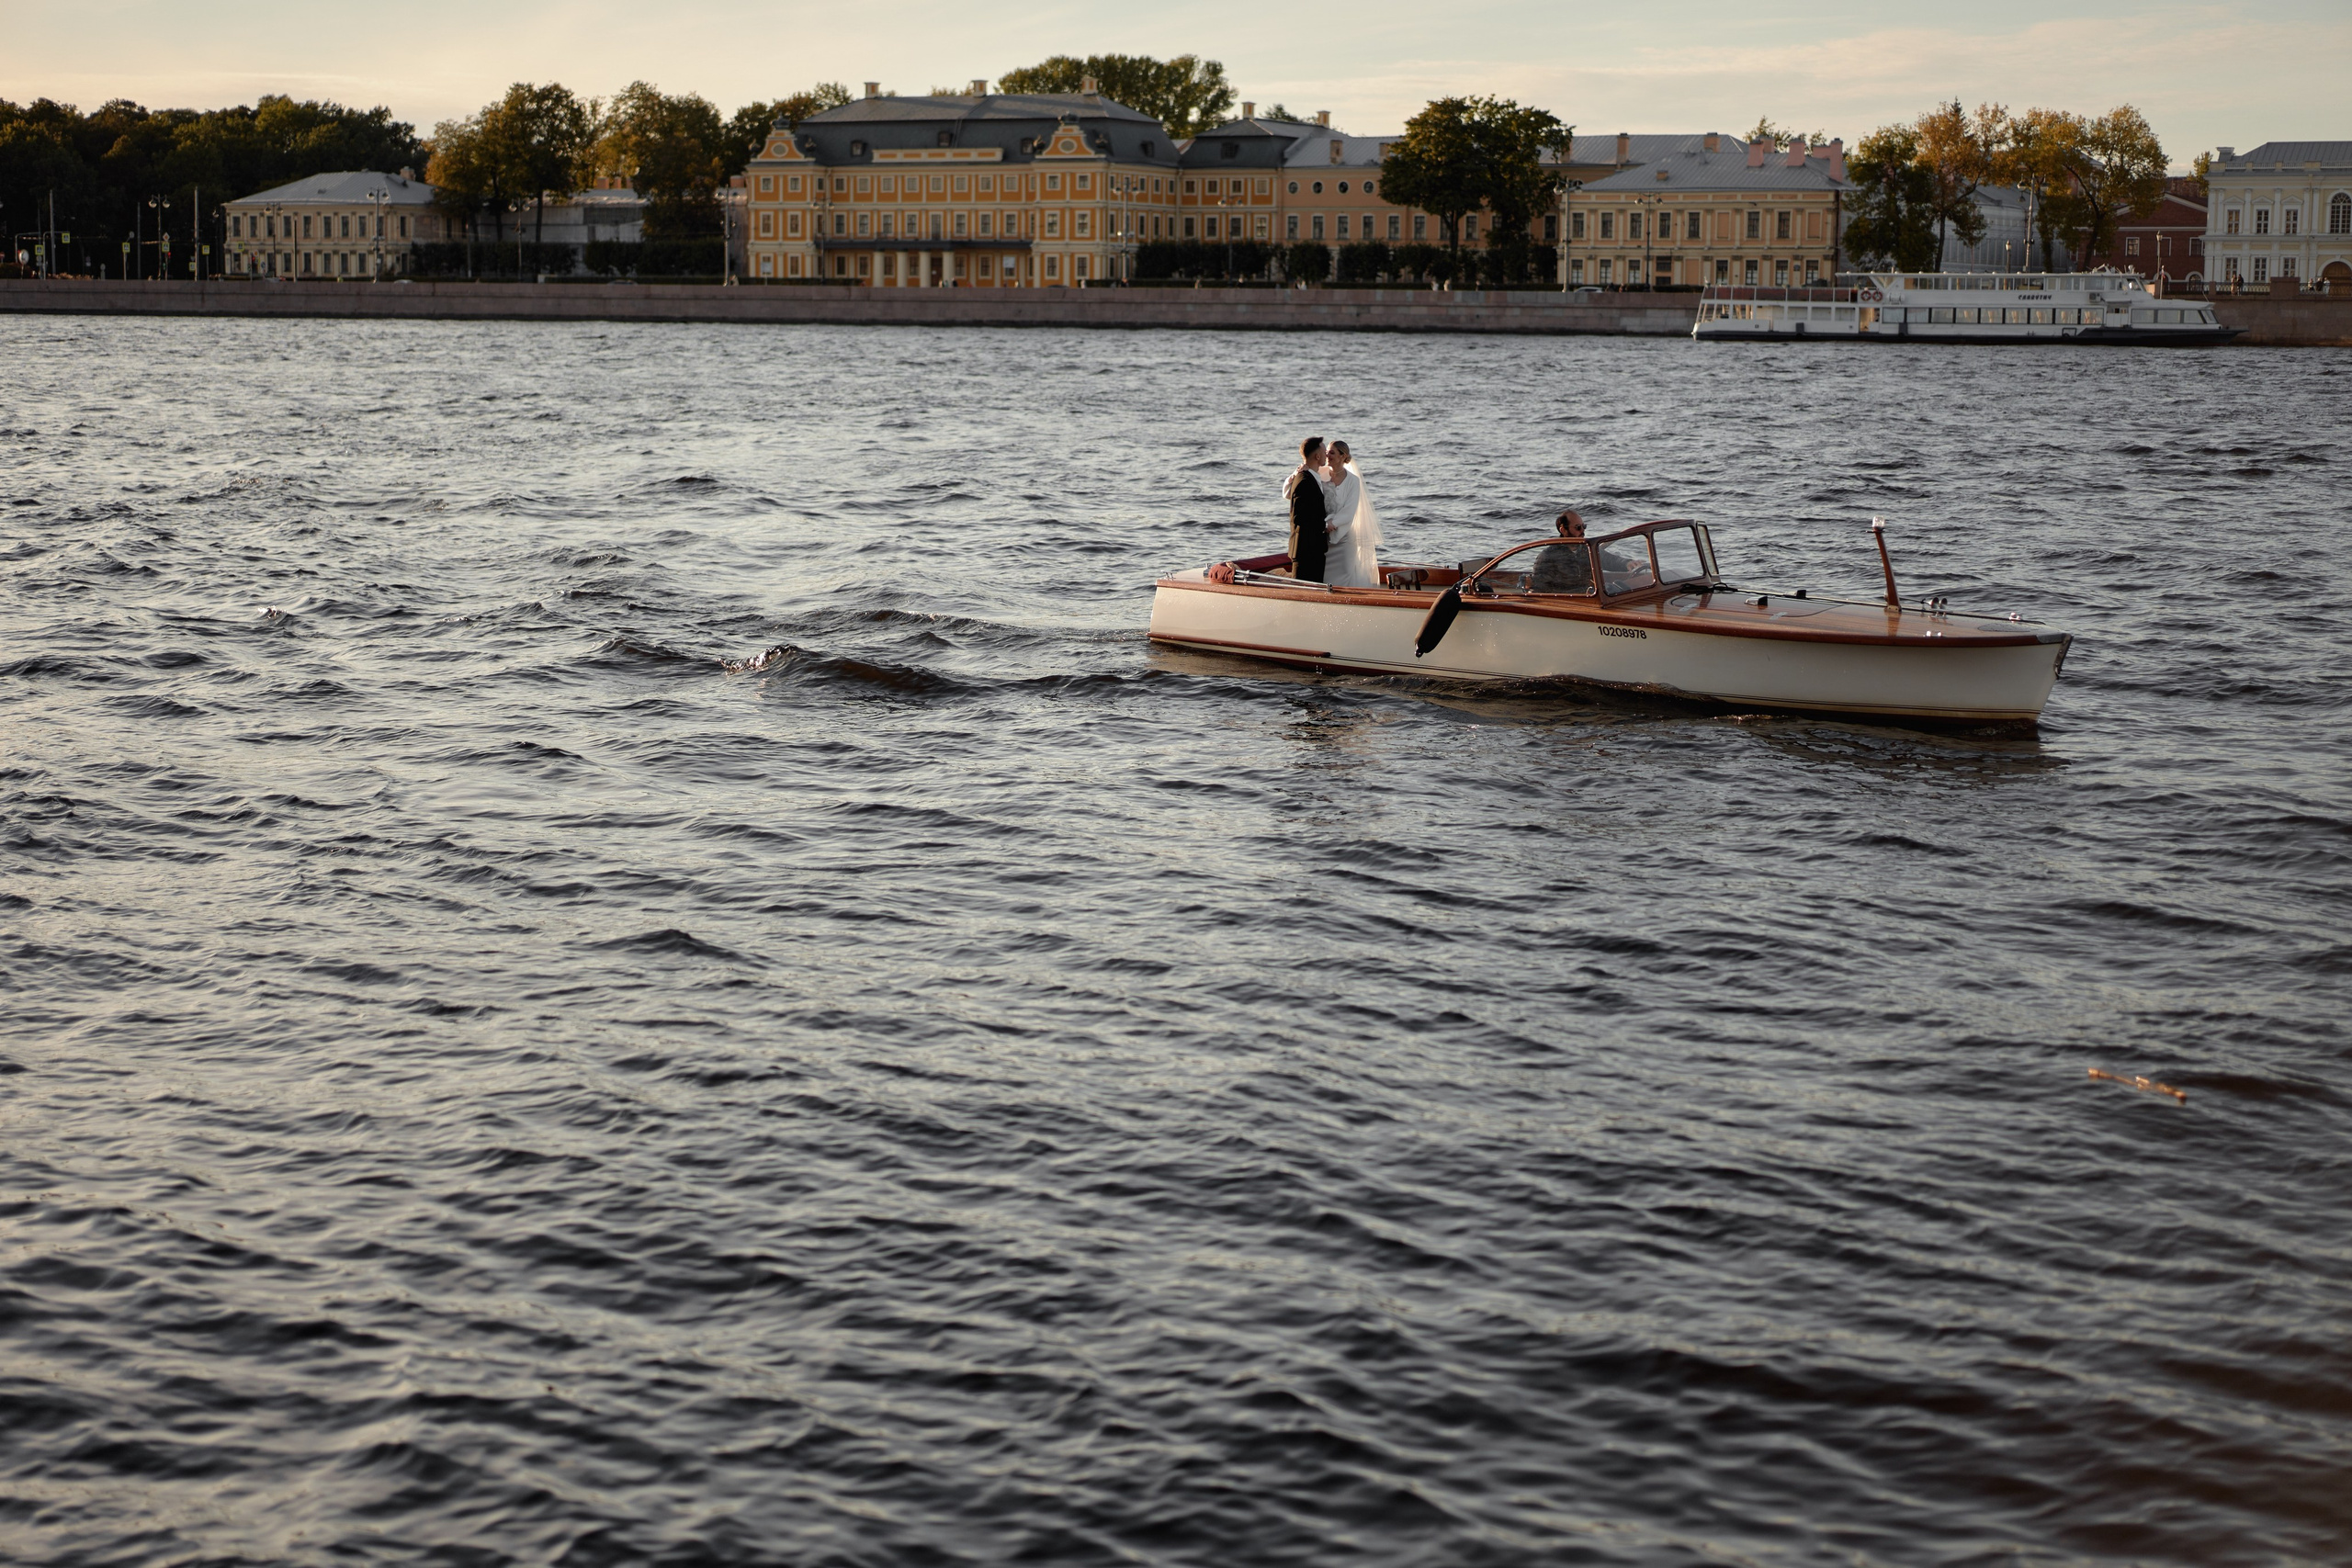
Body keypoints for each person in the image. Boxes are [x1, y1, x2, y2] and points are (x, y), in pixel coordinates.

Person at [1322, 441, 1385, 588]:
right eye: (1327, 452)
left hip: (1344, 538)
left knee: (1343, 577)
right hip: (1322, 537)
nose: (1327, 455)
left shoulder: (1353, 481)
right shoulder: (1320, 474)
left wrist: (1333, 523)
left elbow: (1350, 510)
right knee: (1324, 577)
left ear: (1342, 456)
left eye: (1332, 452)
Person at [1282, 435, 1333, 582]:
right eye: (1325, 452)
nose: (1327, 455)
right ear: (1318, 456)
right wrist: (1324, 525)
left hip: (1312, 550)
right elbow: (1299, 517)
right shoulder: (1304, 480)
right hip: (1306, 551)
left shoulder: (1310, 476)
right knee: (1304, 593)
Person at [1532, 508, 1592, 592]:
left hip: (1590, 598)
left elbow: (1609, 560)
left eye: (1584, 526)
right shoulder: (1548, 556)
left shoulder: (1587, 550)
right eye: (1578, 527)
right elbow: (1539, 589)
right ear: (1563, 530)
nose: (1583, 531)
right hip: (1566, 602)